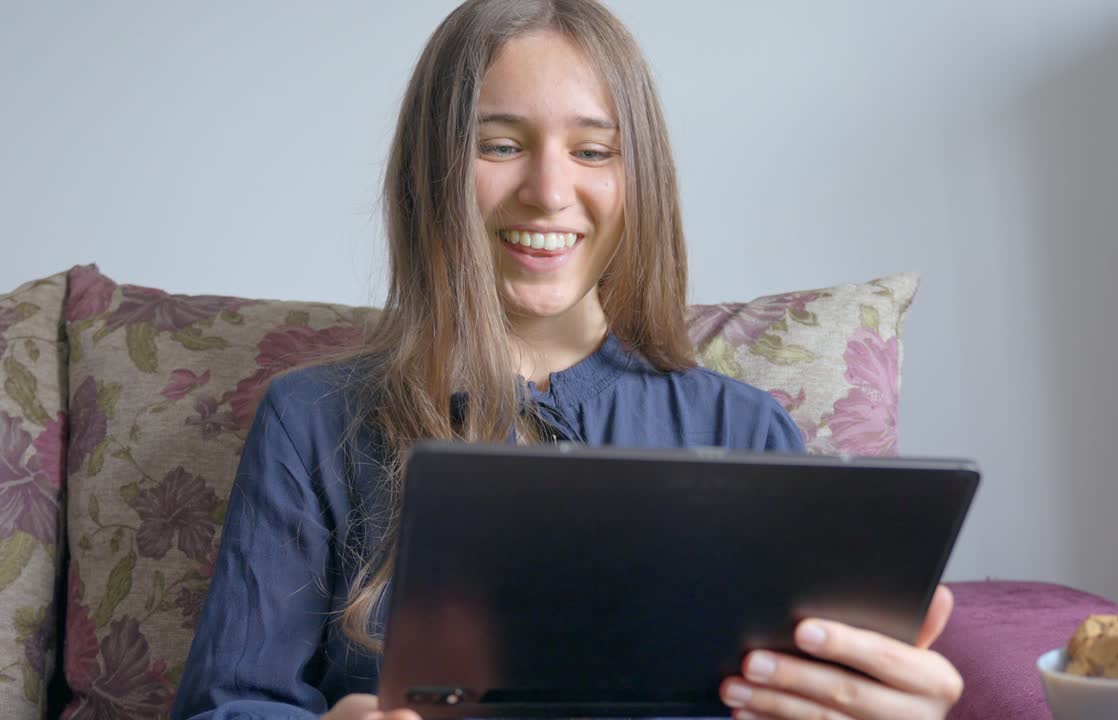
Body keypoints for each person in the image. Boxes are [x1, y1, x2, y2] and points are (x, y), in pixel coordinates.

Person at [171, 1, 964, 718]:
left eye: (593, 151)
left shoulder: (746, 427)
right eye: (501, 144)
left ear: (639, 179)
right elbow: (228, 705)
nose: (549, 192)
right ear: (431, 174)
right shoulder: (311, 420)